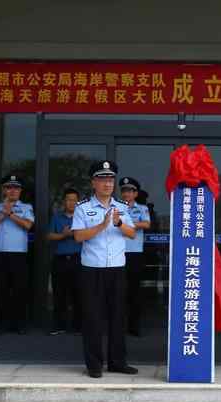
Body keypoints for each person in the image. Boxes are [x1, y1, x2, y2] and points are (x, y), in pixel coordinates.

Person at [72, 160, 138, 378]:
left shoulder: (121, 206)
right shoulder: (83, 207)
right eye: (103, 179)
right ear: (94, 182)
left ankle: (117, 362)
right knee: (93, 318)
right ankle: (94, 364)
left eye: (110, 179)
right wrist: (101, 226)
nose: (108, 184)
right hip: (92, 270)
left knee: (118, 317)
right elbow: (78, 236)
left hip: (116, 269)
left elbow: (132, 234)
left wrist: (118, 223)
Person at [0, 174, 35, 335]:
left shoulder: (26, 207)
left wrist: (11, 214)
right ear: (4, 190)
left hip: (19, 255)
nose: (12, 191)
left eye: (16, 188)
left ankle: (19, 324)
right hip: (0, 255)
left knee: (19, 290)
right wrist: (3, 213)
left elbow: (28, 225)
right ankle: (3, 323)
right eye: (9, 187)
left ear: (20, 191)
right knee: (1, 290)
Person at [47, 188, 82, 336]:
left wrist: (74, 234)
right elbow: (49, 236)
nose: (71, 202)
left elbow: (87, 236)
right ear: (64, 201)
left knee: (78, 295)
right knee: (59, 294)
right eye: (68, 199)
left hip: (78, 259)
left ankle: (77, 326)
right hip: (60, 260)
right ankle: (59, 326)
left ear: (78, 202)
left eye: (74, 200)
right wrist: (63, 235)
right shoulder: (57, 217)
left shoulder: (82, 218)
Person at [118, 177, 151, 337]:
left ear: (135, 193)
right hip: (118, 254)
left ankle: (134, 326)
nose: (126, 194)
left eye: (130, 191)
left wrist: (129, 223)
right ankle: (118, 326)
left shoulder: (142, 208)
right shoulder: (115, 207)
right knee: (118, 292)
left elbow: (146, 224)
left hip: (135, 255)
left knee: (134, 292)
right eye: (124, 191)